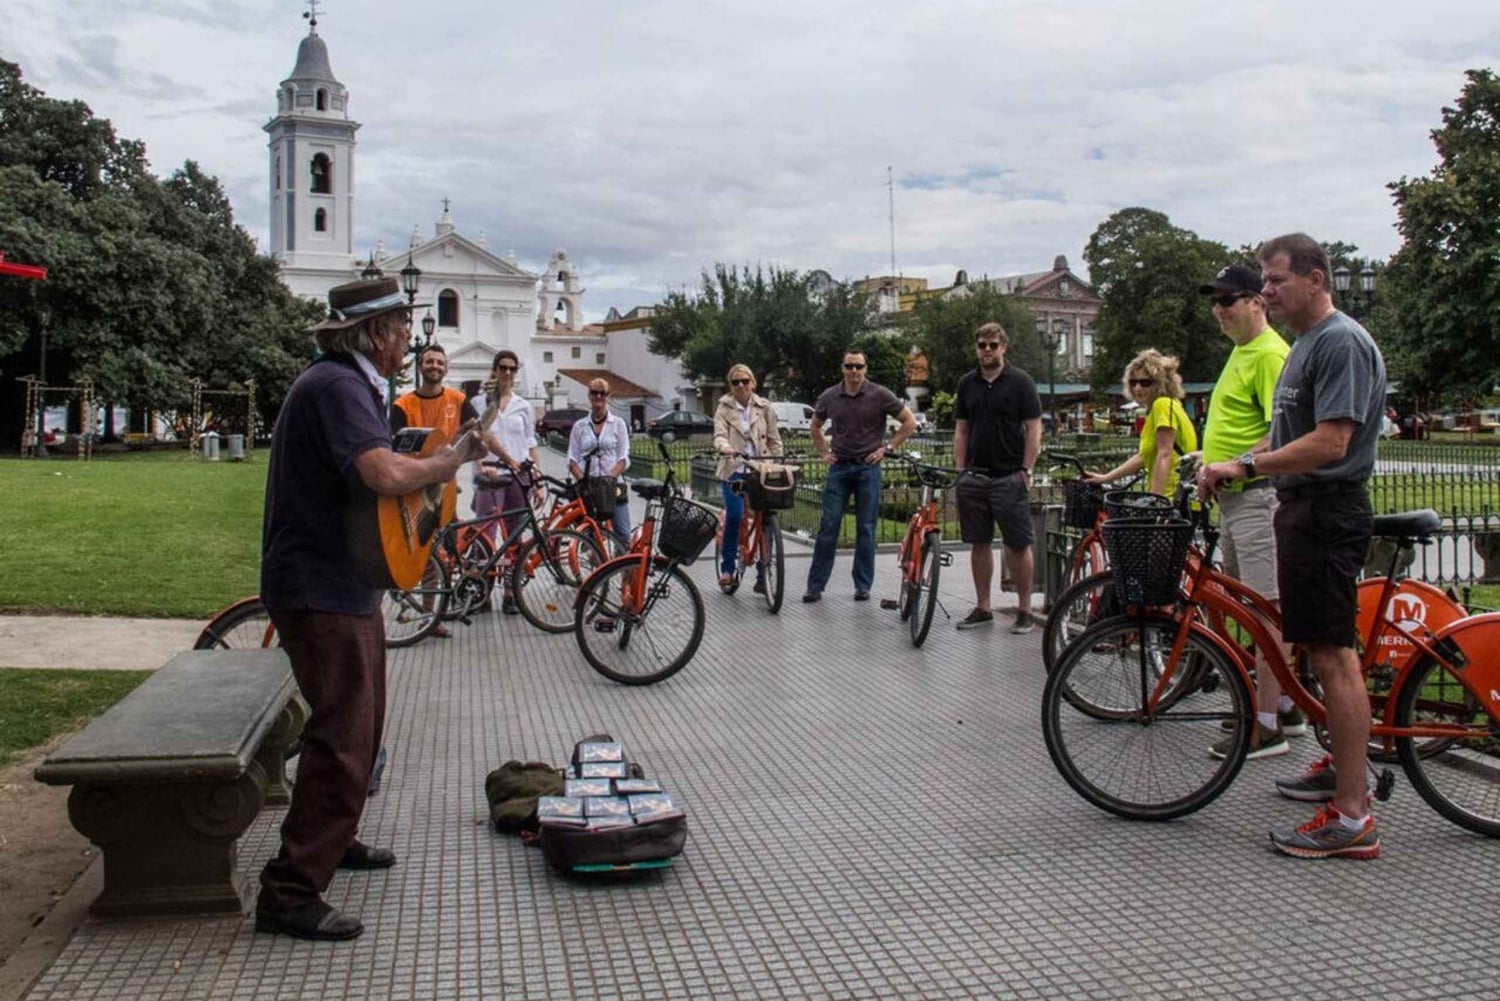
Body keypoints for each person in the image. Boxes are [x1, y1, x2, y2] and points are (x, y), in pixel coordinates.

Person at [256, 277, 484, 940]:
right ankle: (290, 890)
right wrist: (445, 467)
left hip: (343, 582)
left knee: (364, 722)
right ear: (377, 332)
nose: (410, 339)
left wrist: (436, 460)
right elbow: (382, 473)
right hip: (319, 586)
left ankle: (333, 836)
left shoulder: (351, 383)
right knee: (343, 734)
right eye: (402, 327)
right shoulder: (337, 386)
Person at [1200, 233, 1387, 860]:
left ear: (1315, 278)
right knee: (1317, 647)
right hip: (1302, 509)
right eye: (1263, 281)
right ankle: (1341, 767)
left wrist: (1247, 466)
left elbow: (1333, 442)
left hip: (1328, 511)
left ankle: (1354, 819)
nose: (1266, 291)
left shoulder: (1339, 342)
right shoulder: (1307, 345)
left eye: (1275, 280)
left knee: (1334, 658)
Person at [1195, 265, 1298, 761]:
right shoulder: (1242, 352)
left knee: (1266, 611)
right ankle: (1287, 704)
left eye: (1228, 300)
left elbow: (1286, 432)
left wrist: (1235, 465)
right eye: (1214, 301)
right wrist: (1209, 460)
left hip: (1258, 498)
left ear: (1257, 301)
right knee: (1253, 607)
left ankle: (1266, 723)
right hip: (1236, 497)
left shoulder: (1269, 354)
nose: (1218, 309)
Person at [803, 348, 916, 603]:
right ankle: (815, 585)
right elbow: (816, 426)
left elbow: (908, 422)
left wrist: (887, 448)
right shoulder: (830, 396)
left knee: (866, 528)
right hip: (839, 467)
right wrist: (823, 453)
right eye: (849, 366)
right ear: (842, 368)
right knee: (828, 526)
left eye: (858, 366)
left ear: (866, 369)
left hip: (868, 468)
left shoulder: (879, 394)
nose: (854, 371)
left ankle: (863, 585)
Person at [951, 322, 1043, 633]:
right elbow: (962, 429)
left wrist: (1026, 470)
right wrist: (961, 470)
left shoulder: (1021, 382)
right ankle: (983, 606)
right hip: (975, 476)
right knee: (979, 543)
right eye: (981, 345)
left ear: (1004, 347)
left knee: (1018, 544)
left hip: (1009, 475)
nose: (987, 350)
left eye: (993, 345)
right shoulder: (967, 384)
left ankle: (1025, 609)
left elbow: (1034, 428)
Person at [390, 342, 479, 634]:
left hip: (445, 491)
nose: (435, 367)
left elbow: (475, 436)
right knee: (417, 550)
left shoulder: (458, 399)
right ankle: (416, 607)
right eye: (429, 362)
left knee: (442, 552)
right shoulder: (403, 405)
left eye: (440, 363)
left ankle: (432, 616)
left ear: (446, 368)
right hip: (414, 489)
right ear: (420, 366)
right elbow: (395, 448)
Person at [472, 350, 541, 613]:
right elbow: (476, 438)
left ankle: (511, 592)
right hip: (490, 474)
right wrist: (481, 466)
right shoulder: (480, 402)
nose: (508, 372)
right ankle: (483, 591)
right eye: (503, 367)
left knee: (515, 534)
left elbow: (530, 444)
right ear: (495, 369)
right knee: (485, 534)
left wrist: (537, 477)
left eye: (512, 368)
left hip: (517, 475)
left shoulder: (523, 405)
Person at [1084, 348, 1198, 498]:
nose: (1138, 388)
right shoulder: (1164, 408)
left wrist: (1156, 501)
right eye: (1133, 382)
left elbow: (1165, 453)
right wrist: (1106, 478)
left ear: (1160, 383)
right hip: (1175, 495)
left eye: (1145, 382)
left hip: (1172, 497)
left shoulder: (1163, 405)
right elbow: (1143, 457)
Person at [712, 363, 784, 591]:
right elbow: (719, 435)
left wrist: (776, 461)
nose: (741, 385)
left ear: (753, 383)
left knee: (766, 519)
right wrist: (724, 447)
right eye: (736, 382)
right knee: (734, 515)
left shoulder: (765, 407)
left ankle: (764, 574)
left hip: (759, 469)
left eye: (745, 381)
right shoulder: (724, 407)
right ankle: (727, 568)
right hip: (734, 468)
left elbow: (774, 439)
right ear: (731, 385)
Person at [567, 377, 631, 550]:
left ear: (608, 396)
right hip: (588, 486)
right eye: (594, 393)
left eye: (602, 393)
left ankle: (624, 571)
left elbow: (623, 457)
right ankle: (598, 573)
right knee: (591, 536)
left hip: (613, 485)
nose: (598, 397)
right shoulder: (580, 426)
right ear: (589, 395)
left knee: (623, 535)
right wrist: (583, 480)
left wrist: (610, 479)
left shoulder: (618, 424)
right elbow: (572, 459)